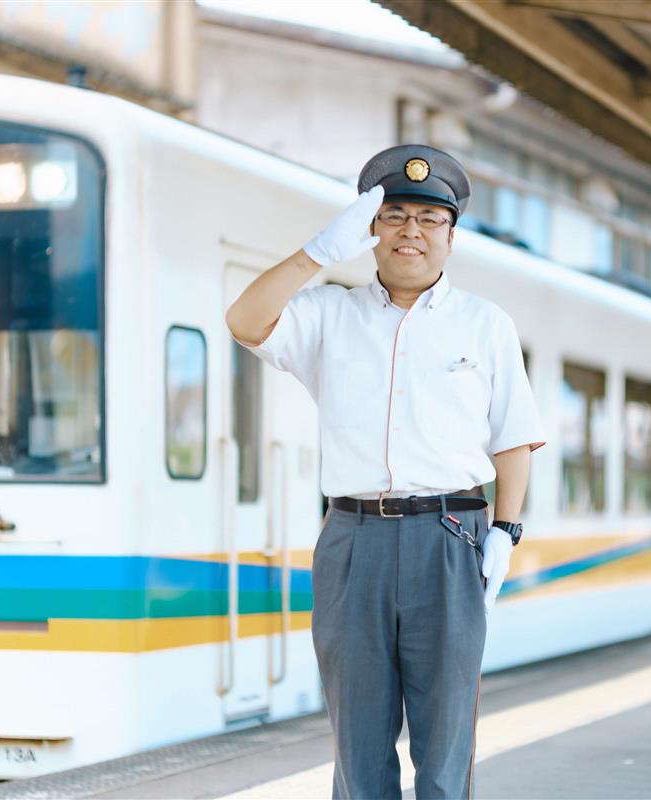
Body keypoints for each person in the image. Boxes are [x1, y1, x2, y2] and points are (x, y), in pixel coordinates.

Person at [225, 144, 545, 799]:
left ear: (452, 237)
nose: (411, 232)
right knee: (358, 743)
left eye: (430, 220)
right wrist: (317, 251)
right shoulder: (327, 314)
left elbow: (514, 439)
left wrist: (507, 533)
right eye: (394, 215)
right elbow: (244, 320)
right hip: (353, 541)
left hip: (452, 536)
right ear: (369, 230)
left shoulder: (485, 325)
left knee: (445, 740)